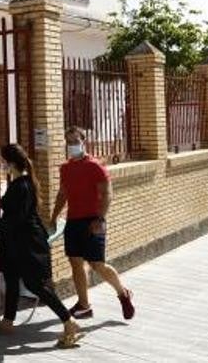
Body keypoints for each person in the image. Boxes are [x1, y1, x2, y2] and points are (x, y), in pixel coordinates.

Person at [0, 143, 83, 348]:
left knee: (36, 285)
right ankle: (8, 322)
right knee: (11, 279)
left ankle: (69, 322)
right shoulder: (19, 182)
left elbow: (18, 218)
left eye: (2, 161)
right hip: (14, 243)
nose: (0, 164)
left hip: (28, 244)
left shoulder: (22, 186)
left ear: (10, 163)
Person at [50, 127, 135, 321]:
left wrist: (100, 218)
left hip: (93, 222)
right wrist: (54, 216)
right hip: (73, 221)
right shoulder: (66, 168)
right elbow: (63, 194)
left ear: (83, 141)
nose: (72, 145)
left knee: (97, 264)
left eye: (75, 141)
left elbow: (107, 194)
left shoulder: (95, 166)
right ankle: (84, 305)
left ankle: (123, 294)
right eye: (69, 142)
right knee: (76, 263)